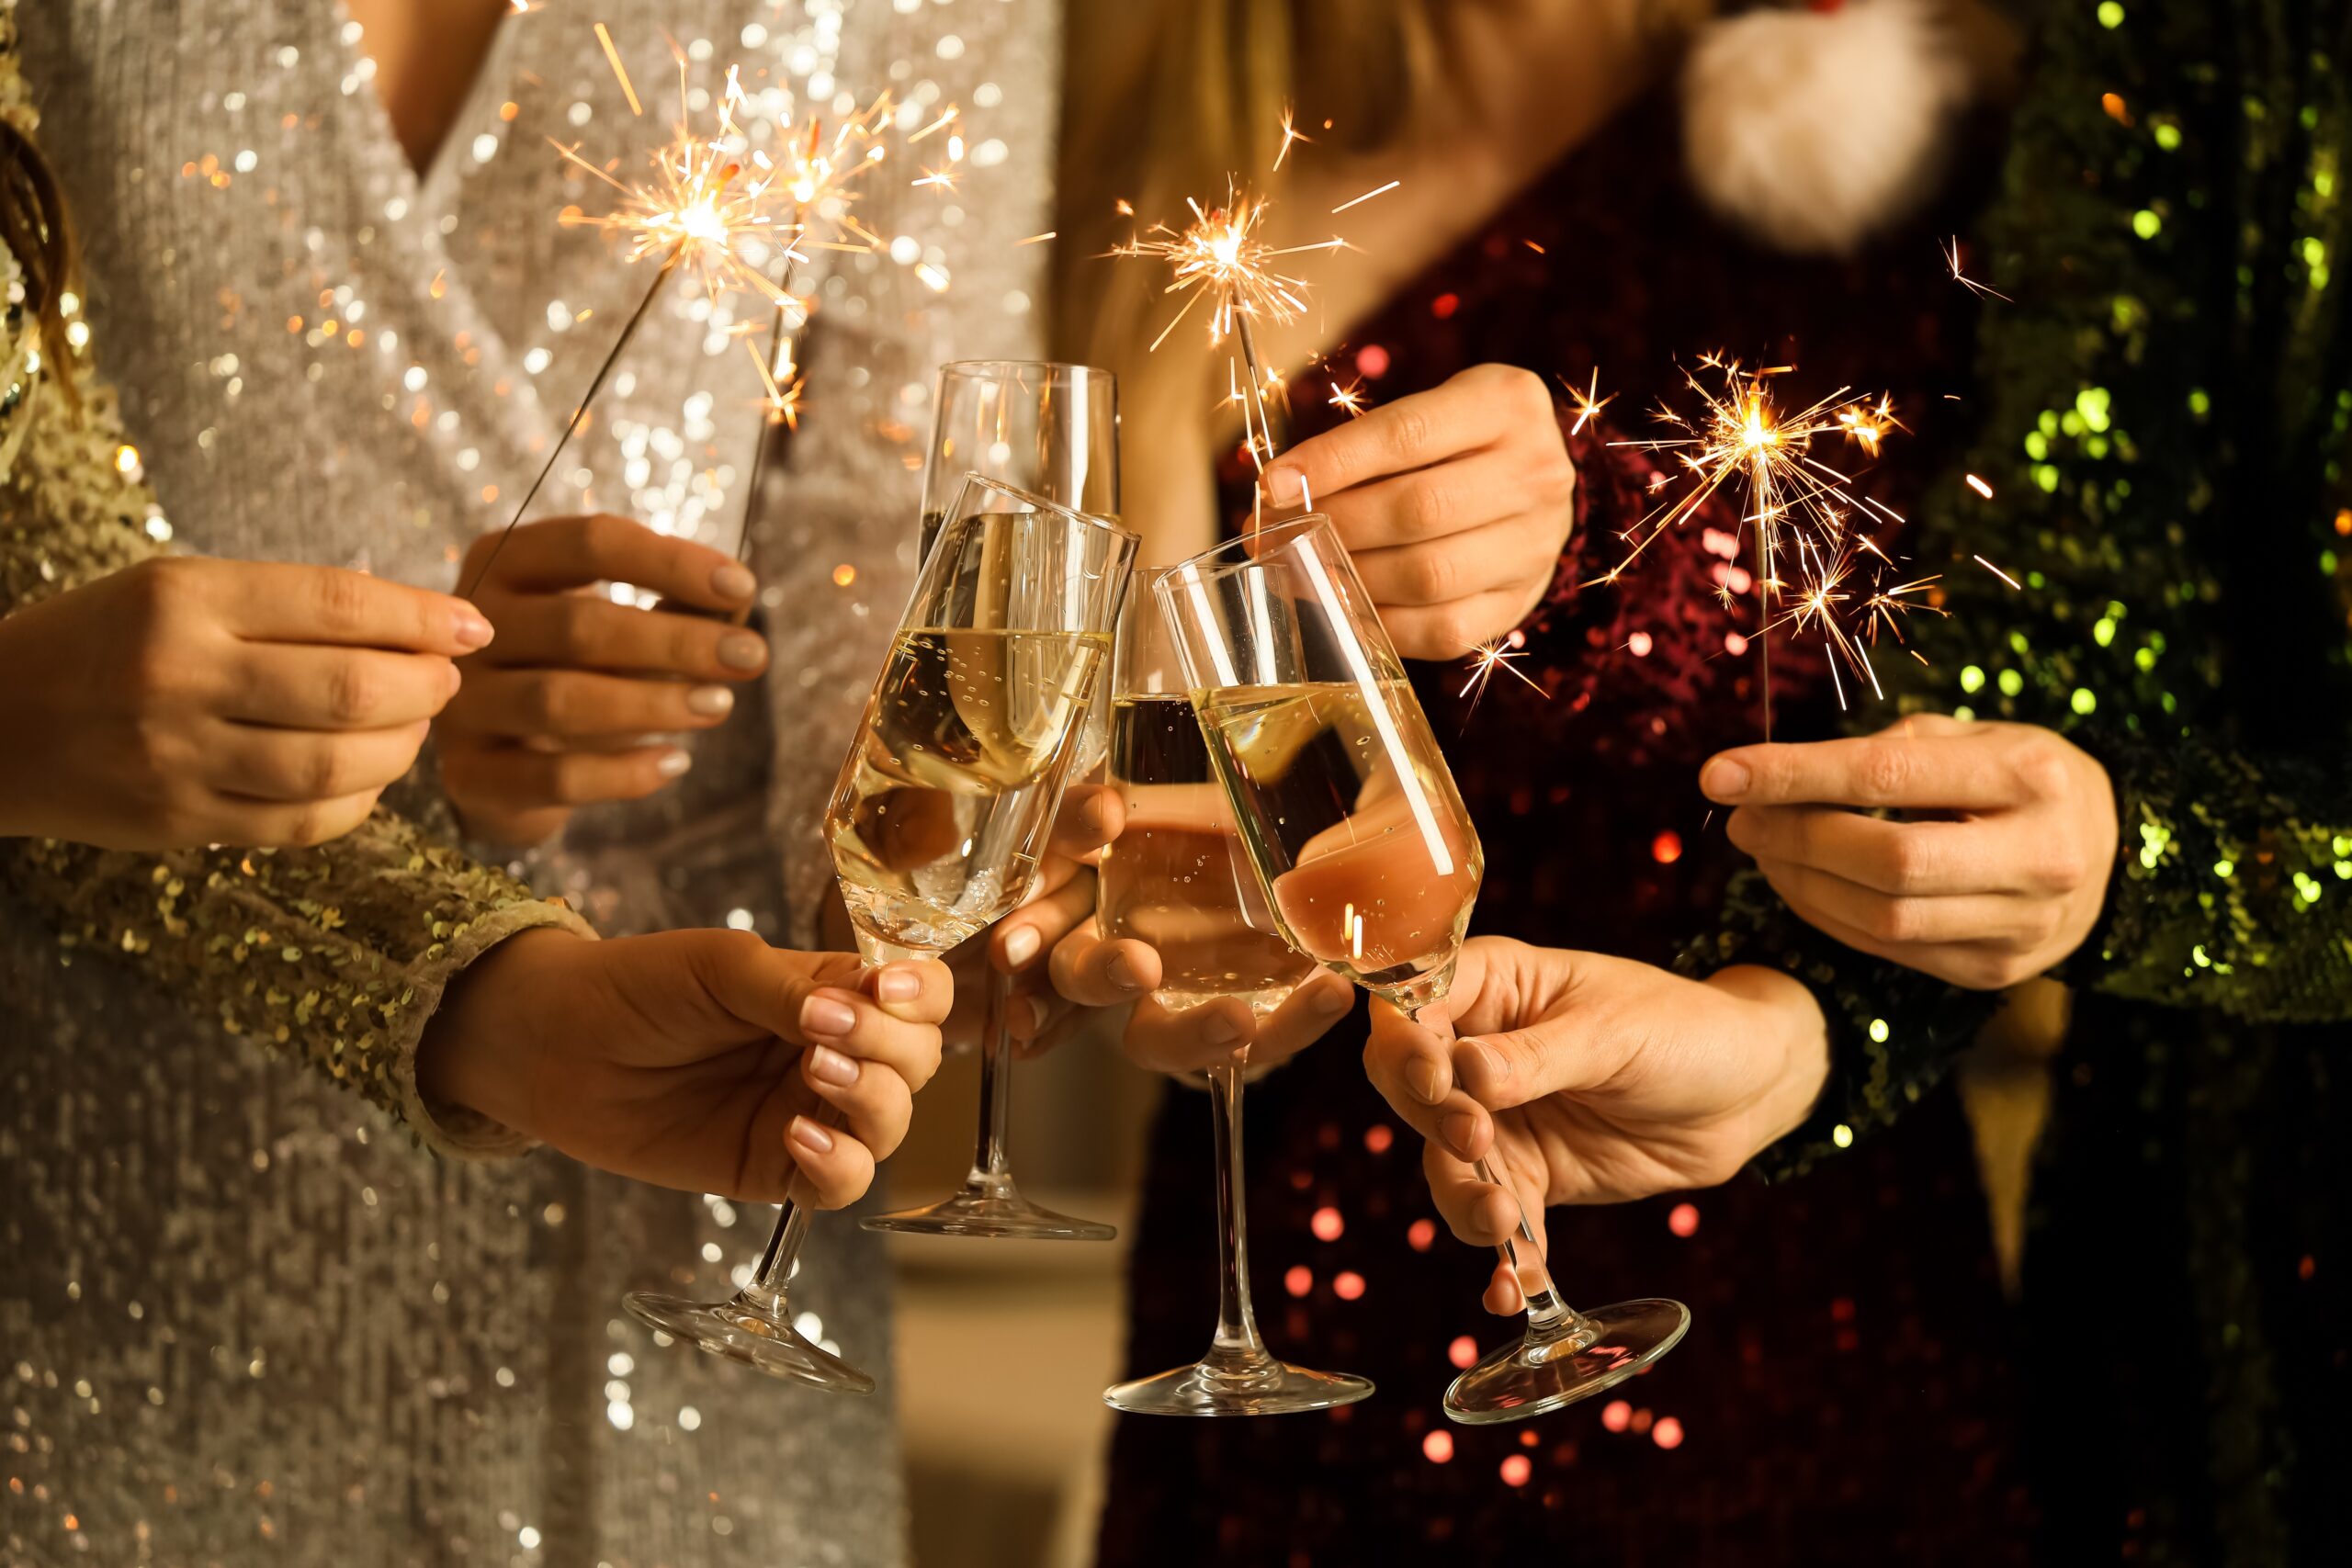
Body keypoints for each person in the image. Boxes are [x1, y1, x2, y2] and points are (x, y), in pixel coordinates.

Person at [0, 1, 1064, 1561]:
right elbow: (44, 530)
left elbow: (896, 516)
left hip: (693, 1121)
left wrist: (921, 879)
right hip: (115, 1192)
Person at [1057, 1, 2048, 1562]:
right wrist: (1164, 974)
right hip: (1307, 1304)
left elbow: (1985, 679)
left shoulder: (1891, 119)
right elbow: (1185, 812)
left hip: (1798, 1249)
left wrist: (1597, 525)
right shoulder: (1186, 194)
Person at [1366, 1, 2352, 1560]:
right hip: (2195, 1303)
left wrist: (2172, 862)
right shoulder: (2202, 38)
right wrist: (1785, 1023)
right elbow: (2053, 608)